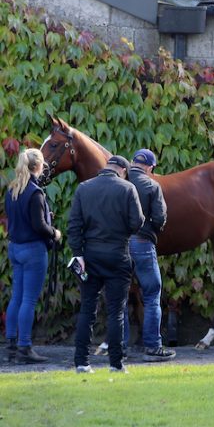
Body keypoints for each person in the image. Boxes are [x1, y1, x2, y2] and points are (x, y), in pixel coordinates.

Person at [67, 155, 144, 373]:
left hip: (90, 256)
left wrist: (78, 253)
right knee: (116, 311)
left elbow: (74, 225)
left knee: (87, 309)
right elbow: (136, 223)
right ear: (122, 170)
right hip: (118, 254)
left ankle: (81, 362)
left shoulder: (84, 188)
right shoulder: (127, 189)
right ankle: (116, 364)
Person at [4, 149, 62, 364]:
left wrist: (45, 216)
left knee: (17, 297)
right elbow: (39, 226)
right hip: (32, 250)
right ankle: (25, 347)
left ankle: (11, 345)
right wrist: (54, 232)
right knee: (28, 299)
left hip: (15, 248)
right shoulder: (35, 192)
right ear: (38, 166)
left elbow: (20, 219)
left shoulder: (12, 190)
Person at [125, 148, 175, 361]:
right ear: (151, 167)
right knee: (152, 294)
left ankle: (120, 348)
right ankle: (153, 347)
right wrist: (151, 231)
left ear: (132, 162)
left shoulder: (121, 183)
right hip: (143, 243)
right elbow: (160, 218)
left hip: (118, 245)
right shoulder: (152, 185)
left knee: (119, 296)